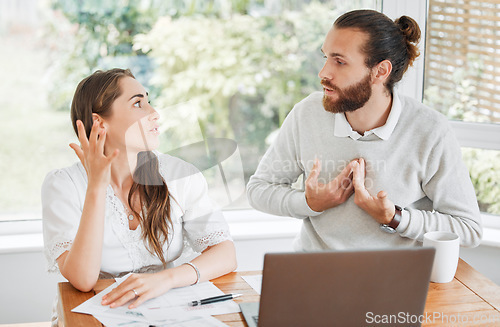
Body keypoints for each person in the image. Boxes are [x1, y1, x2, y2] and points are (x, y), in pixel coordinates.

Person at [246, 10, 482, 251]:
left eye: (339, 61)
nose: (323, 73)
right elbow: (259, 189)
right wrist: (310, 202)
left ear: (380, 72)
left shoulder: (430, 131)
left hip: (393, 278)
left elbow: (468, 228)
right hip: (313, 270)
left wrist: (395, 217)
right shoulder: (307, 114)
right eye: (325, 57)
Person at [42, 68, 237, 315]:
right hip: (94, 316)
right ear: (100, 122)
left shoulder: (179, 175)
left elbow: (225, 253)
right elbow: (83, 280)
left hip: (164, 311)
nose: (154, 113)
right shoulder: (63, 185)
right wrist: (96, 186)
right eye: (137, 104)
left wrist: (166, 279)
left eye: (149, 102)